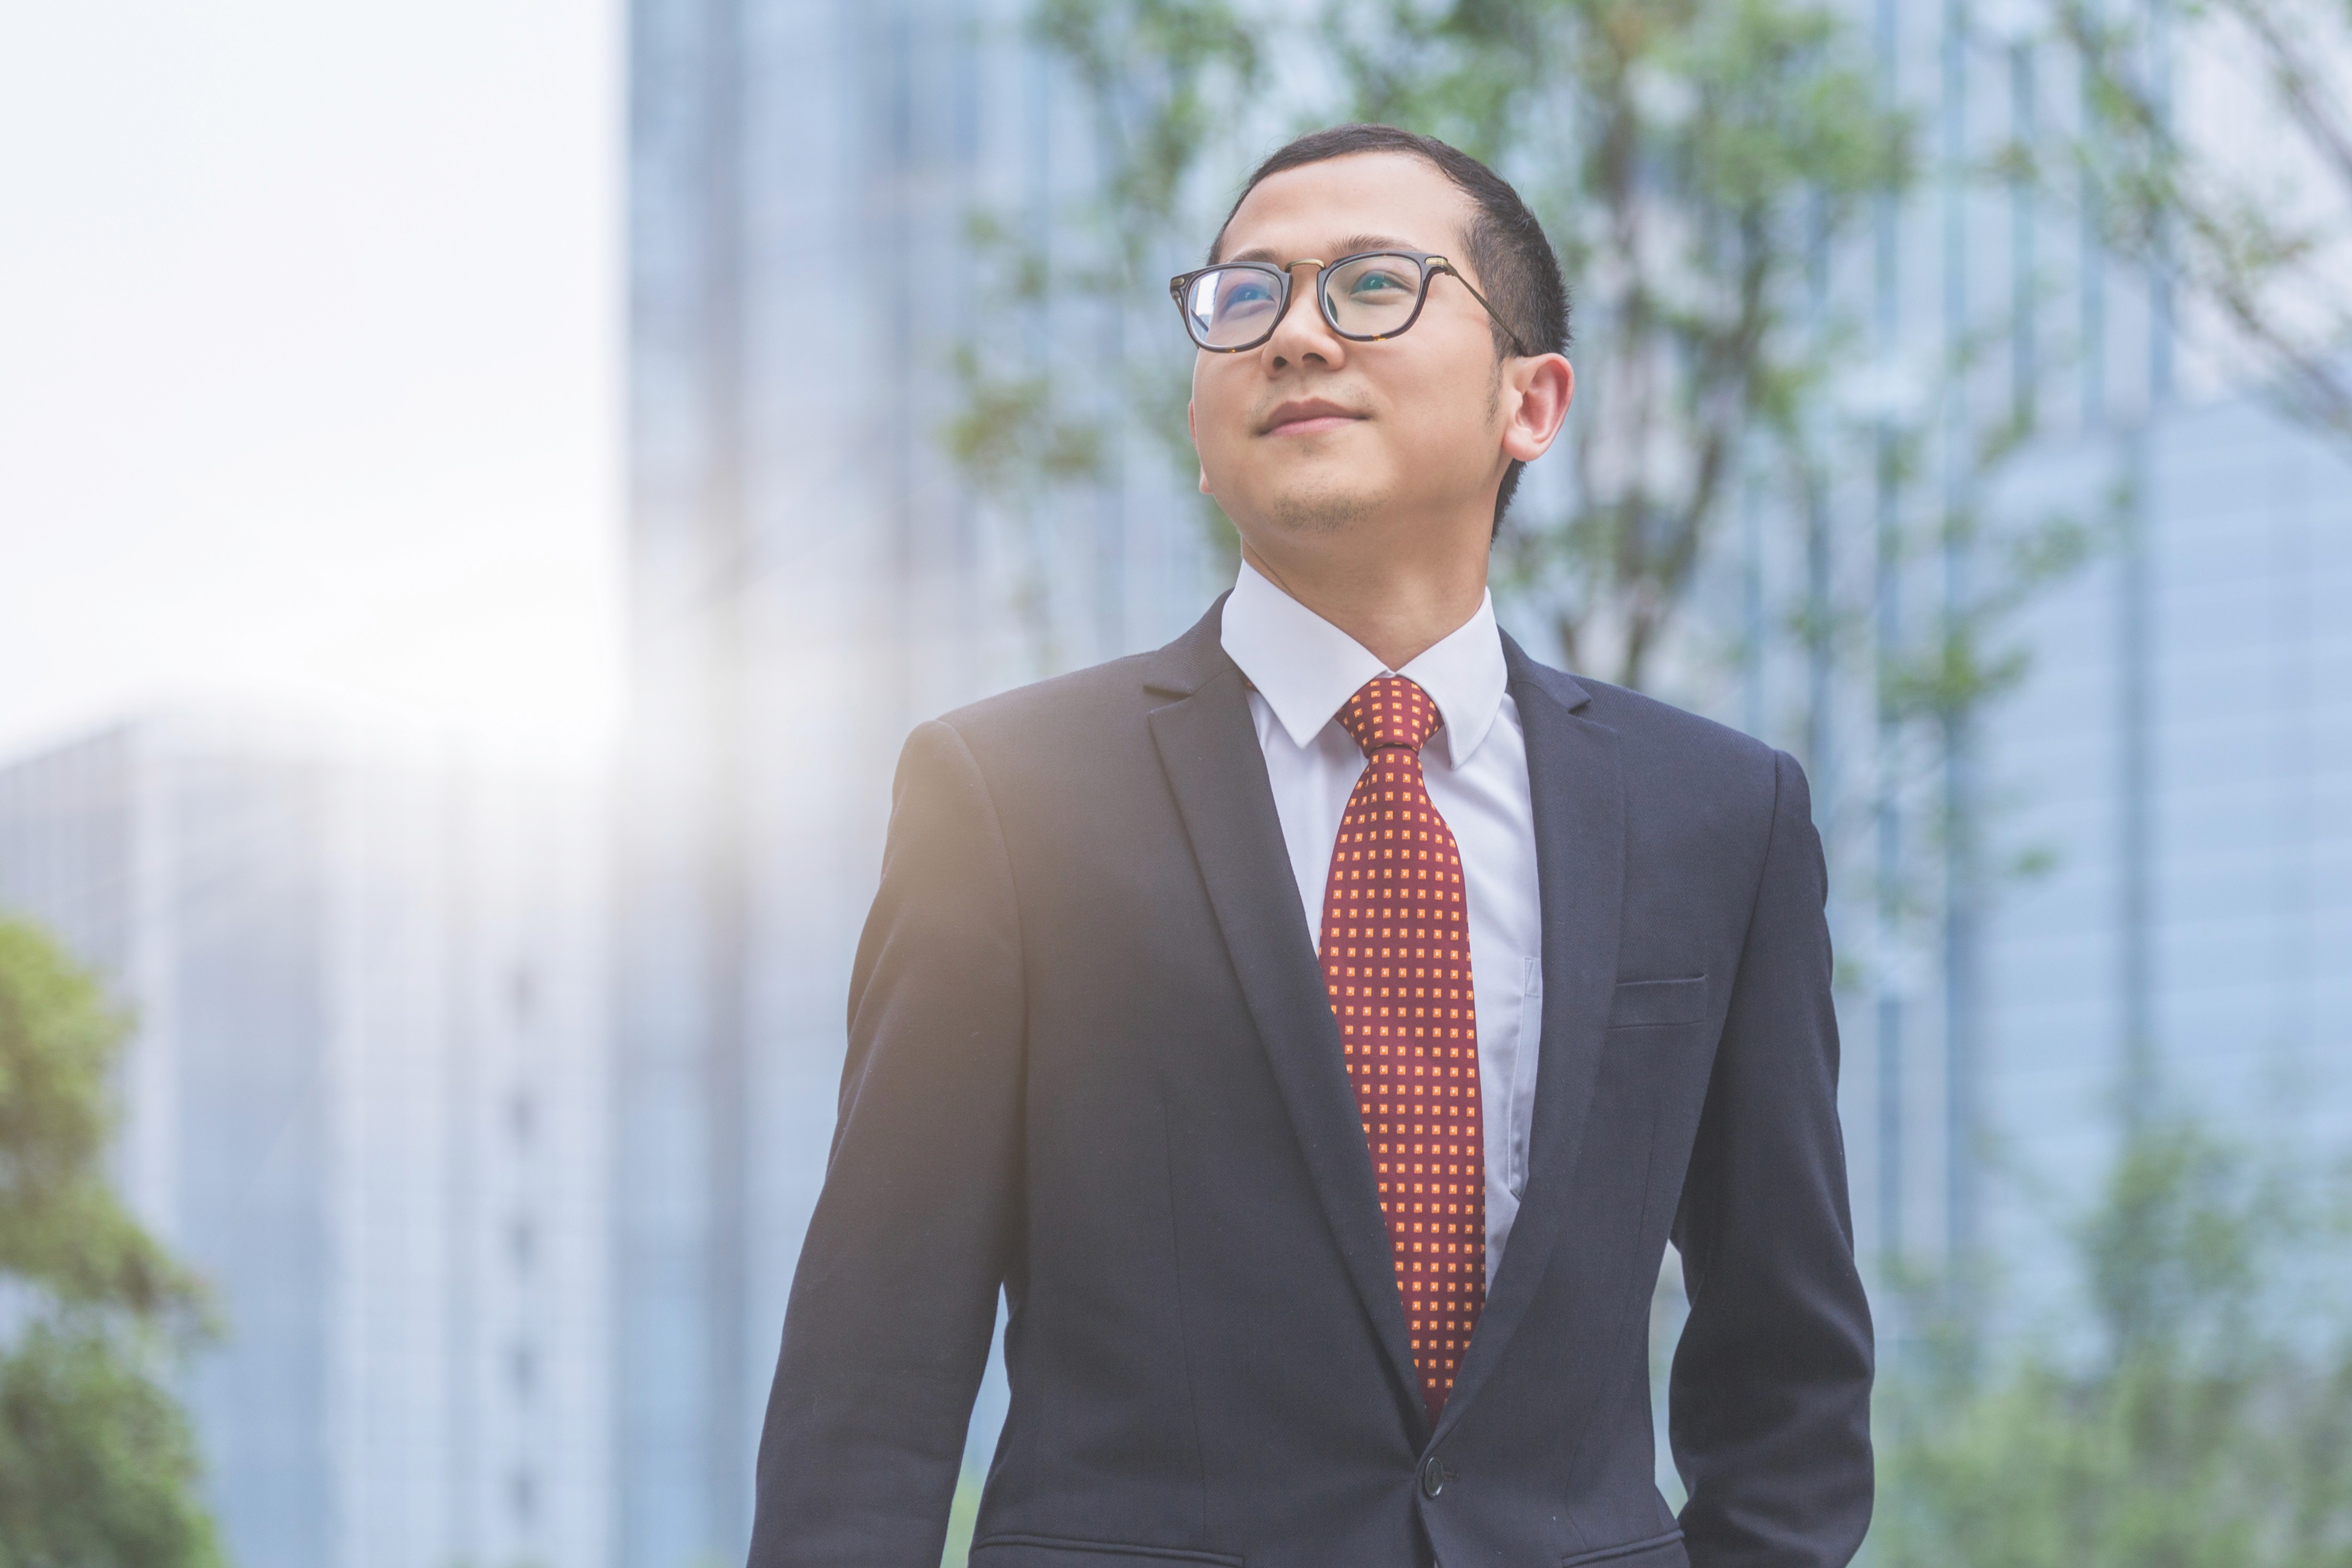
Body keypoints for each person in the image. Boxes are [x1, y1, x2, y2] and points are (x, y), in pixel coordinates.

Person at [748, 123, 1873, 1568]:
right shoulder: (1007, 796)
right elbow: (872, 1381)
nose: (1292, 336)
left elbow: (1788, 1358)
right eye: (1244, 298)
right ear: (1202, 430)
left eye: (1369, 289)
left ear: (1531, 402)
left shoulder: (1718, 817)